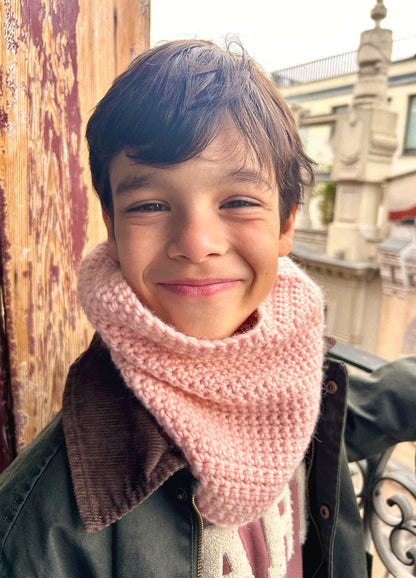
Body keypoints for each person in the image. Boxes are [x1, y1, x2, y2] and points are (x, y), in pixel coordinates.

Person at [0, 39, 415, 578]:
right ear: (112, 229)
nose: (196, 244)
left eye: (238, 202)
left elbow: (351, 413)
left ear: (286, 223)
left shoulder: (291, 370)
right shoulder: (40, 532)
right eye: (150, 205)